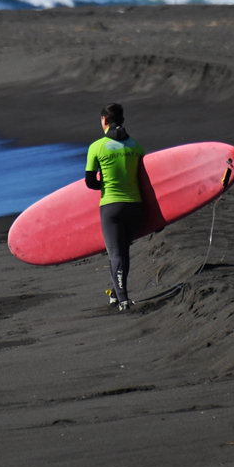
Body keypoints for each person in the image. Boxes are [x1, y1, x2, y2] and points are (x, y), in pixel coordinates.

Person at [85, 103, 145, 311]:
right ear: (123, 120)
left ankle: (123, 300)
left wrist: (107, 183)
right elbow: (146, 179)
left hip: (111, 206)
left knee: (115, 253)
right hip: (136, 205)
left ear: (104, 121)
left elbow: (90, 182)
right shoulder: (136, 146)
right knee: (124, 252)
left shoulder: (97, 147)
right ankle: (115, 294)